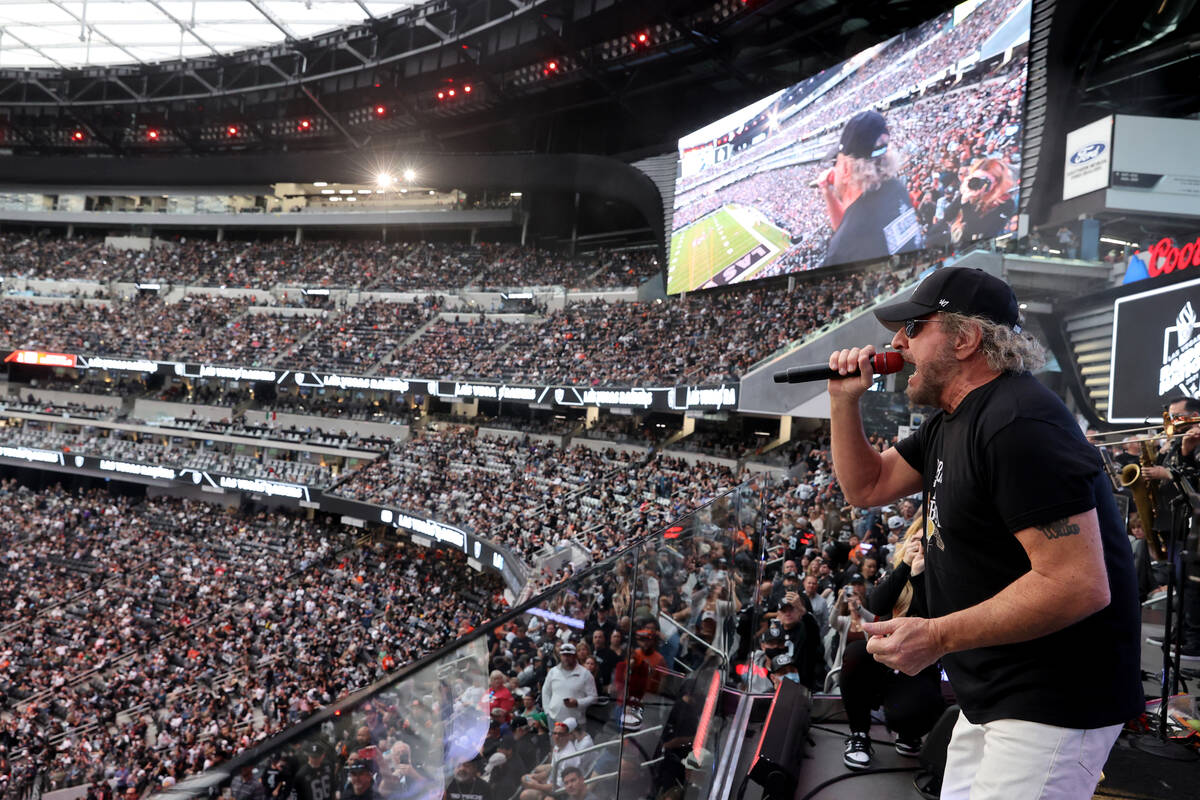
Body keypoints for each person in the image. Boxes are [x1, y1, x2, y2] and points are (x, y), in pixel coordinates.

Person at [825, 266, 1142, 799]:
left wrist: (936, 634)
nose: (897, 343)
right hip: (994, 689)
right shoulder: (955, 416)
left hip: (1053, 701)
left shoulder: (1019, 426)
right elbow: (869, 485)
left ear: (966, 338)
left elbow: (1077, 584)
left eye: (914, 328)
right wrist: (842, 400)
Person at [839, 519, 945, 771]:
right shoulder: (899, 570)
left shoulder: (944, 576)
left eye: (927, 542)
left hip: (919, 666)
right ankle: (859, 734)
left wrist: (920, 577)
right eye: (917, 540)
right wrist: (906, 567)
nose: (921, 547)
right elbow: (878, 605)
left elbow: (931, 618)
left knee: (911, 713)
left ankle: (909, 732)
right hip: (886, 658)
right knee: (855, 653)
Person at [817, 110, 922, 267]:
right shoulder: (896, 188)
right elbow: (849, 225)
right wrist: (827, 192)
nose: (834, 168)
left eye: (836, 163)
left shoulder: (842, 249)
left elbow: (851, 235)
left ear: (846, 168)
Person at [540, 643, 597, 728]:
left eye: (569, 655)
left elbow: (593, 697)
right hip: (554, 719)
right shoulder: (553, 672)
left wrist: (578, 702)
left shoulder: (585, 674)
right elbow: (546, 691)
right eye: (564, 655)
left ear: (575, 656)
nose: (566, 658)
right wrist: (547, 711)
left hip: (576, 721)